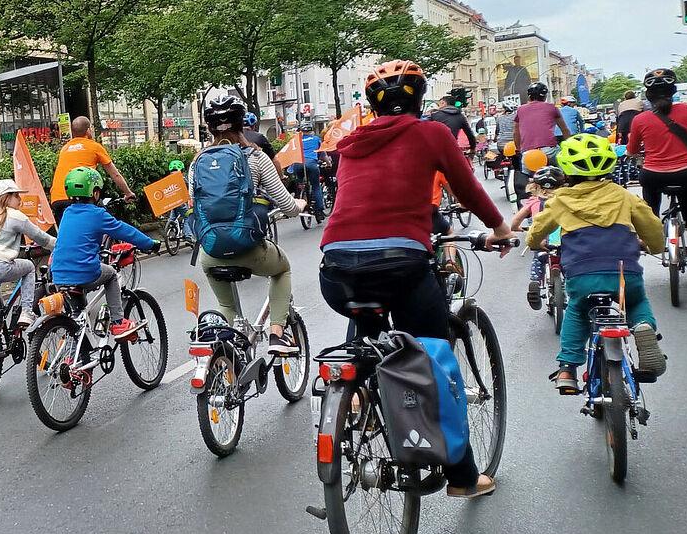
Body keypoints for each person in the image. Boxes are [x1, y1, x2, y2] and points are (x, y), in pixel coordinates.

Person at [321, 59, 513, 498]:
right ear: (421, 98)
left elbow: (369, 200)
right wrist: (499, 228)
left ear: (371, 104)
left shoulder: (351, 143)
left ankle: (357, 394)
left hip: (335, 269)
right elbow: (467, 188)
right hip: (401, 267)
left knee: (366, 326)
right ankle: (463, 478)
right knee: (430, 361)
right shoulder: (431, 134)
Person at [527, 134, 666, 393]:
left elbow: (537, 229)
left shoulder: (561, 200)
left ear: (566, 171)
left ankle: (568, 367)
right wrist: (655, 246)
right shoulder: (623, 196)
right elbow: (652, 226)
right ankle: (643, 327)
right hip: (624, 272)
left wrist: (535, 243)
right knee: (635, 302)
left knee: (578, 310)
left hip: (582, 275)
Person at [189, 93, 304, 353]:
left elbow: (194, 205)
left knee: (226, 307)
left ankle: (225, 358)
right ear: (244, 125)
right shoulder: (256, 157)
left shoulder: (197, 163)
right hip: (248, 247)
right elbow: (285, 205)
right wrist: (298, 206)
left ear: (208, 127)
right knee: (282, 269)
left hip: (211, 249)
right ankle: (277, 334)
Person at [627, 67, 687, 286]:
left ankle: (650, 237)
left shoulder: (640, 120)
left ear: (648, 96)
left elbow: (631, 150)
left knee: (651, 212)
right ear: (673, 91)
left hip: (654, 176)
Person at [49, 167, 157, 339]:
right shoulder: (97, 214)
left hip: (58, 274)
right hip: (84, 272)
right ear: (96, 193)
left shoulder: (67, 213)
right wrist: (150, 243)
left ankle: (76, 360)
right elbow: (125, 231)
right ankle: (118, 322)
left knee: (77, 319)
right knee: (111, 274)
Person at [0, 179, 57, 327]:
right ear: (6, 197)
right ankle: (26, 312)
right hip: (0, 266)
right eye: (16, 196)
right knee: (29, 267)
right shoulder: (15, 216)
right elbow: (41, 237)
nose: (20, 199)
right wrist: (60, 246)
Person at [49, 116, 135, 223]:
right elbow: (115, 174)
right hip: (80, 198)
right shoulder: (94, 147)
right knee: (102, 223)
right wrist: (128, 193)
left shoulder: (65, 149)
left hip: (57, 199)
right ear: (88, 131)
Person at [509, 165, 565, 309]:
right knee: (567, 263)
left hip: (541, 240)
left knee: (538, 259)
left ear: (534, 186)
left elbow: (516, 220)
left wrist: (516, 228)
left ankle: (535, 281)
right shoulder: (564, 201)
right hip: (563, 241)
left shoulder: (533, 201)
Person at [513, 82, 572, 161]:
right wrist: (569, 146)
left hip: (528, 153)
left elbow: (516, 133)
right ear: (545, 96)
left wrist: (518, 149)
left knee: (526, 172)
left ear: (529, 96)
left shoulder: (520, 109)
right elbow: (564, 130)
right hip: (549, 151)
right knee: (564, 168)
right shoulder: (552, 108)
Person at [285, 125, 326, 219]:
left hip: (298, 164)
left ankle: (299, 196)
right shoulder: (316, 139)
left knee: (299, 182)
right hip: (312, 164)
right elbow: (323, 154)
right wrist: (328, 163)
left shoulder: (297, 140)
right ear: (312, 131)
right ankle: (319, 211)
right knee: (316, 186)